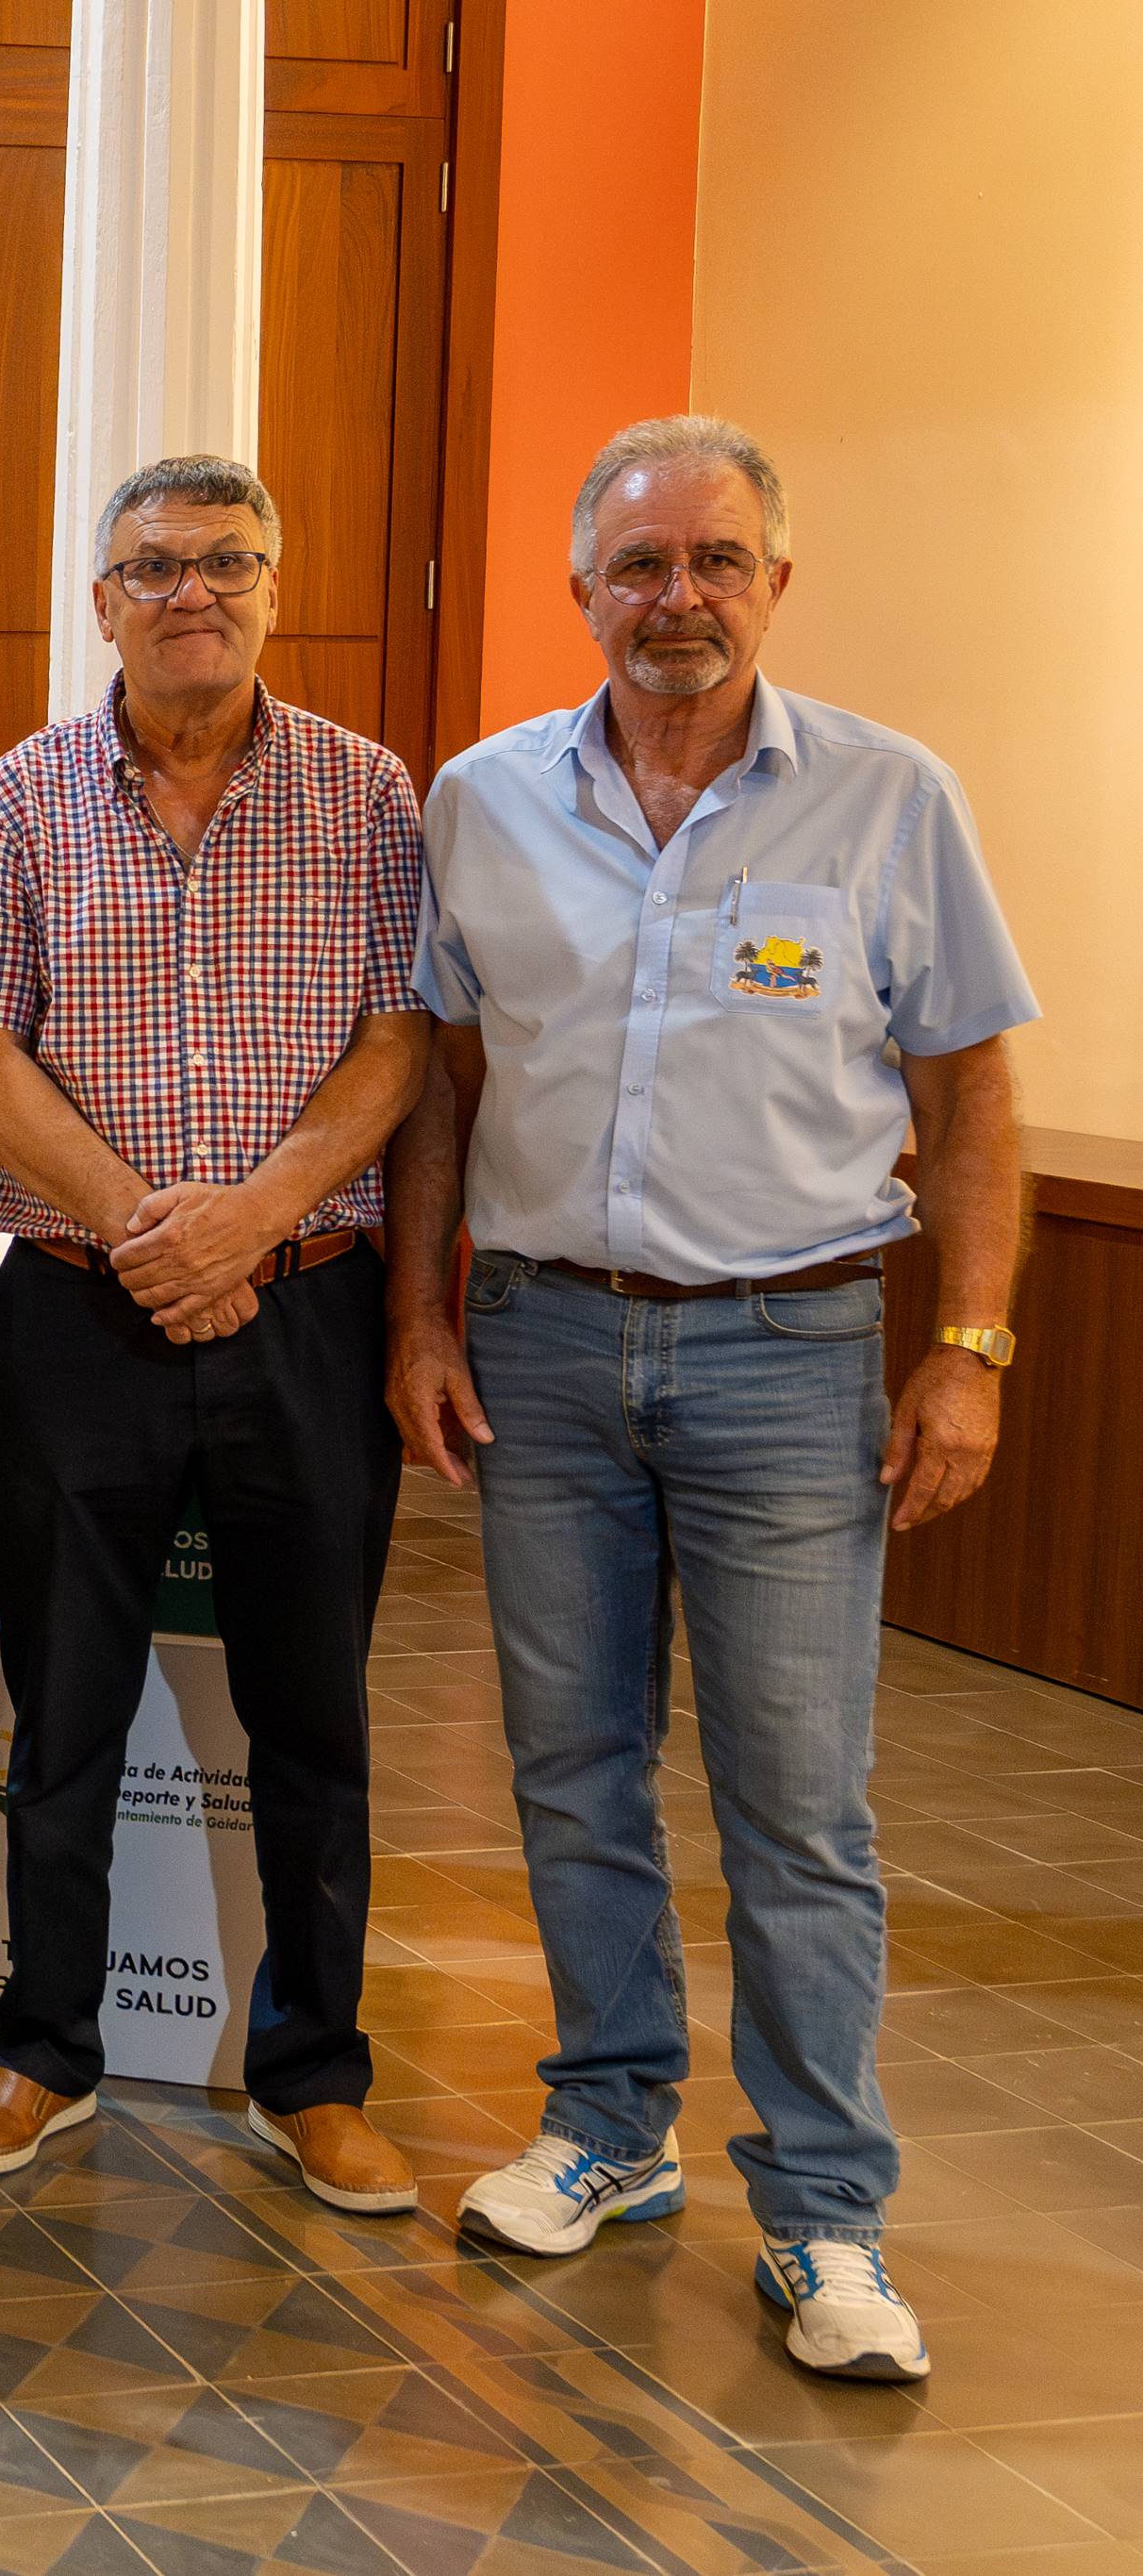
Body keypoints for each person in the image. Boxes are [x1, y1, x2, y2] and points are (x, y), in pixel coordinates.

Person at [388, 417, 1035, 2384]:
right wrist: (418, 1318)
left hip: (789, 1349)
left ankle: (825, 2214)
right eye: (636, 566)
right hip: (543, 1347)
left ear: (773, 578)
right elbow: (434, 1080)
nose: (675, 597)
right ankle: (603, 2126)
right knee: (569, 1768)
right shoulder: (484, 799)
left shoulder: (884, 800)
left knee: (793, 1803)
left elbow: (972, 1092)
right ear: (578, 590)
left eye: (713, 559)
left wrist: (972, 1340)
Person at [0, 455, 432, 2217]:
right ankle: (44, 2046)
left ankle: (315, 2073)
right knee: (63, 1709)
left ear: (274, 586)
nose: (189, 590)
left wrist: (253, 1219)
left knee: (313, 1712)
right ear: (101, 600)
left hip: (303, 1313)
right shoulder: (15, 800)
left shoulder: (371, 797)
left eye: (225, 561)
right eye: (153, 566)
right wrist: (161, 1237)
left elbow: (401, 1040)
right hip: (79, 1317)